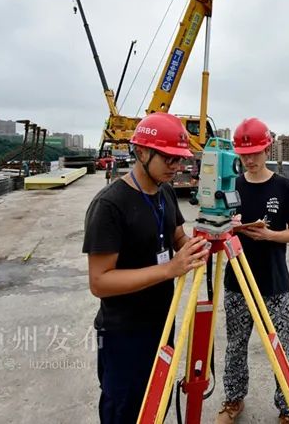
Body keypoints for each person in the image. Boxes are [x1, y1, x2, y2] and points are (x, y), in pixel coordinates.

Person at [82, 112, 210, 424]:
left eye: (179, 160)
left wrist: (195, 247)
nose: (176, 167)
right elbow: (100, 281)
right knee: (126, 409)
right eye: (168, 159)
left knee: (158, 402)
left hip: (162, 325)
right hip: (123, 333)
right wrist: (170, 270)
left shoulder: (165, 192)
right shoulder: (110, 206)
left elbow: (176, 234)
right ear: (142, 152)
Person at [217, 118, 289, 424]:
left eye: (255, 152)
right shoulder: (232, 185)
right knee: (235, 345)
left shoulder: (284, 188)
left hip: (273, 283)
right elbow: (217, 226)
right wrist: (228, 227)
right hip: (237, 282)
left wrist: (270, 235)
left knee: (283, 347)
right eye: (244, 154)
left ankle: (287, 409)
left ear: (267, 148)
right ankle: (233, 400)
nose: (250, 160)